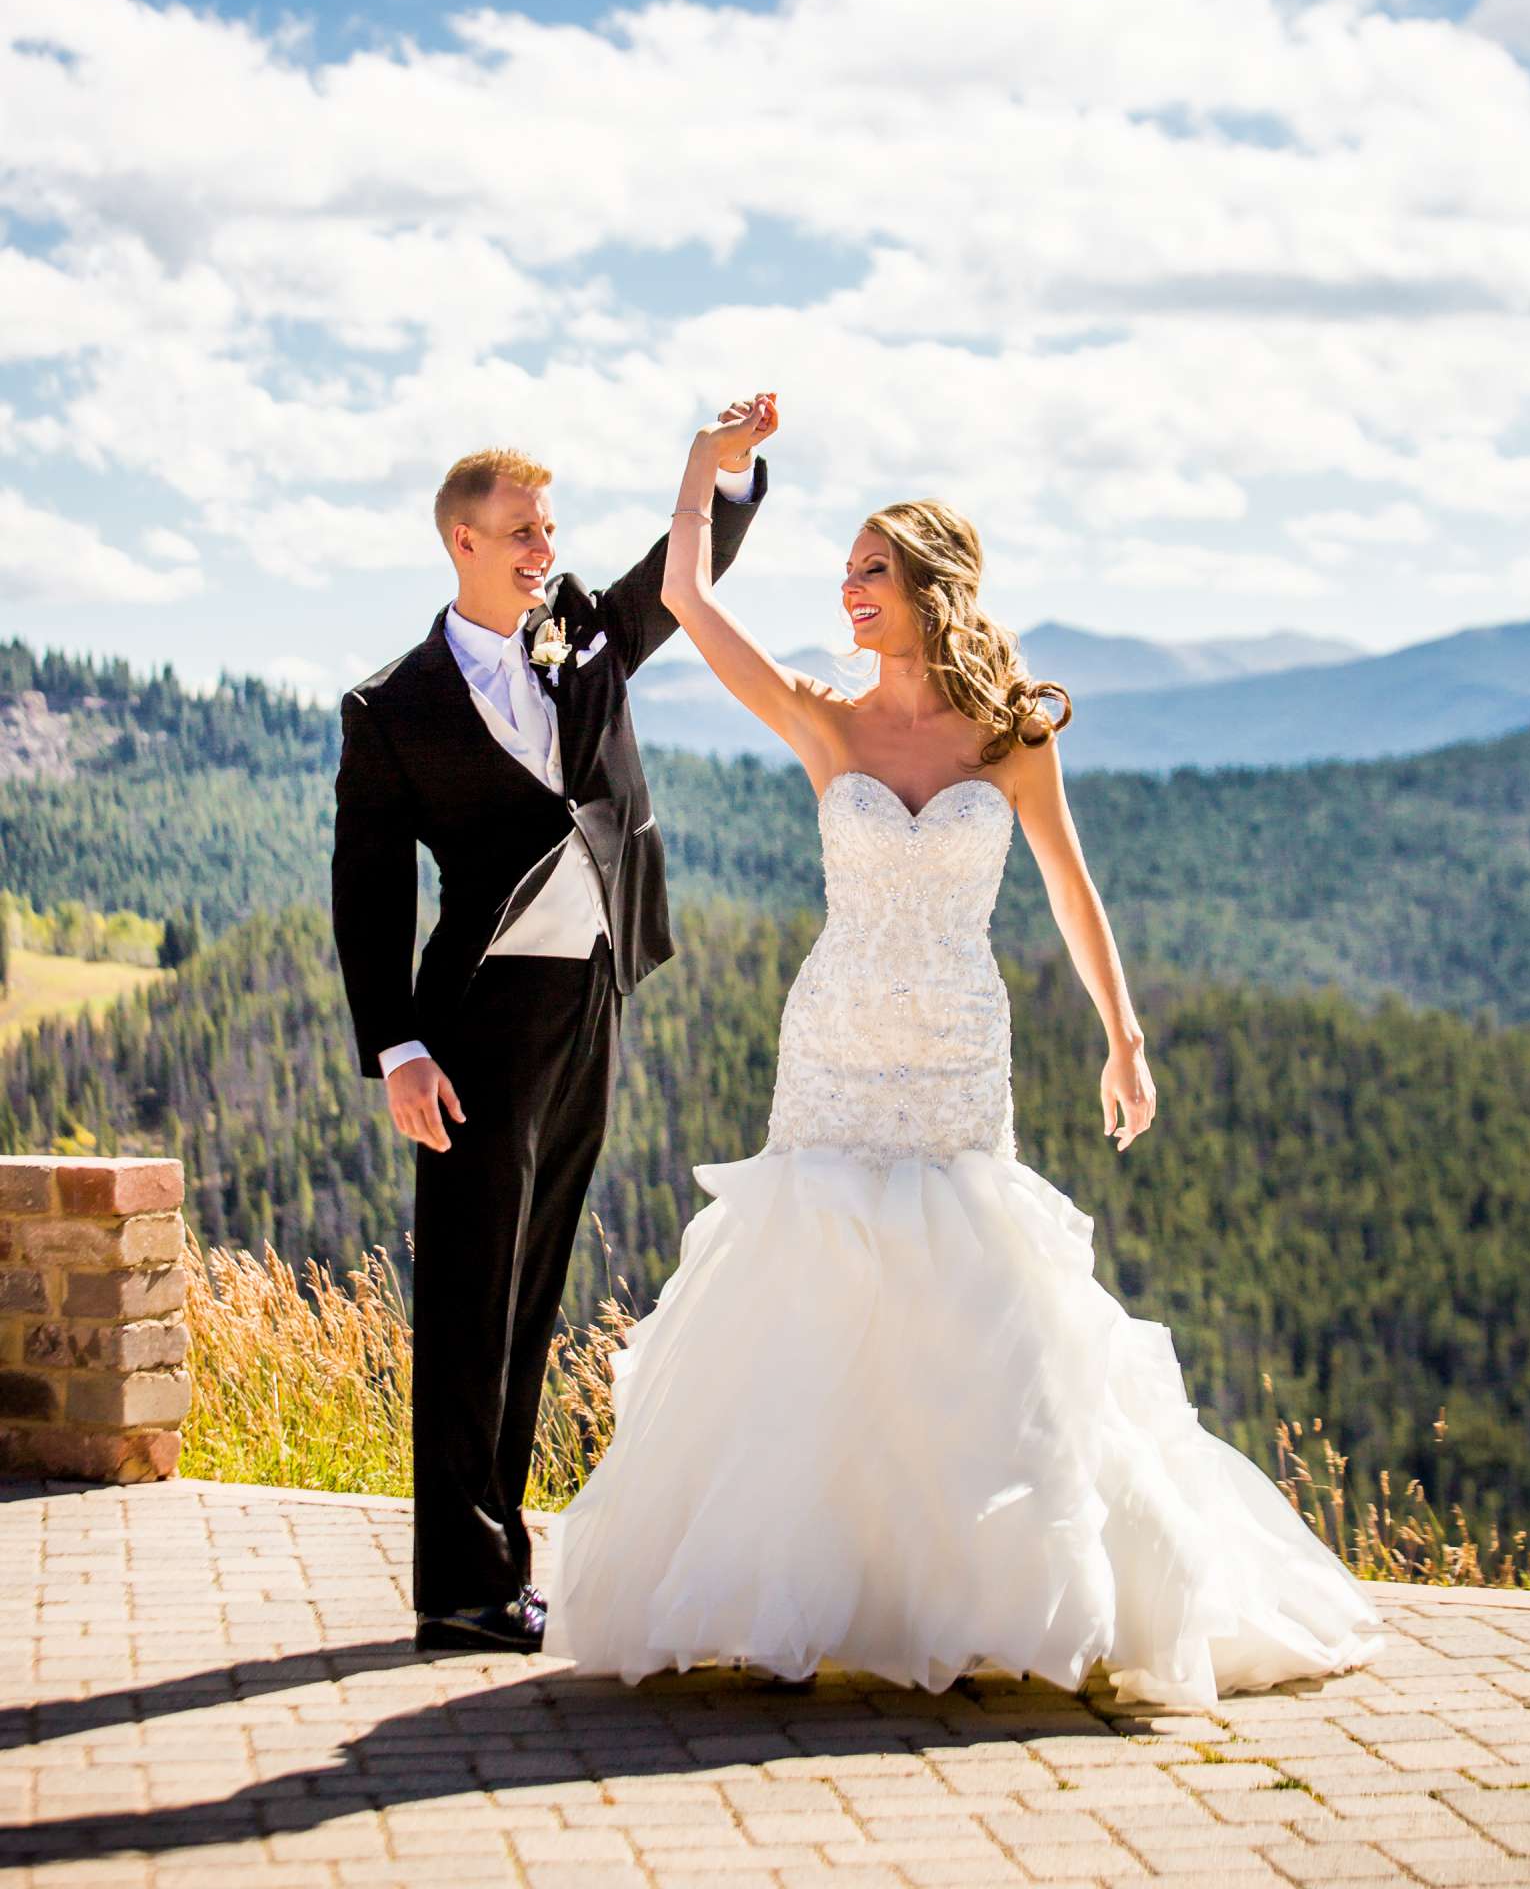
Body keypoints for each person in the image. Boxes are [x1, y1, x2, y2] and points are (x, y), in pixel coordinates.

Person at [540, 412, 1382, 1706]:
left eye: (872, 570)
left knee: (975, 1294)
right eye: (847, 573)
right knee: (816, 1286)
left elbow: (1073, 892)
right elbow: (684, 597)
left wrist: (1125, 1037)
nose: (850, 592)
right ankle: (794, 1593)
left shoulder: (1012, 740)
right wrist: (702, 465)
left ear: (930, 588)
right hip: (837, 1038)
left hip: (956, 1048)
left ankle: (993, 1589)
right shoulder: (824, 719)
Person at [330, 400, 774, 1654]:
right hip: (476, 1025)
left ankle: (498, 1563)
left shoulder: (583, 632)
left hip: (594, 995)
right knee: (471, 1298)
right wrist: (399, 1051)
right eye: (521, 530)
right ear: (461, 542)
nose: (542, 547)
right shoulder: (392, 708)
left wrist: (717, 478)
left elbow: (675, 581)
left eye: (549, 528)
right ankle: (459, 1588)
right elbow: (366, 892)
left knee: (533, 1291)